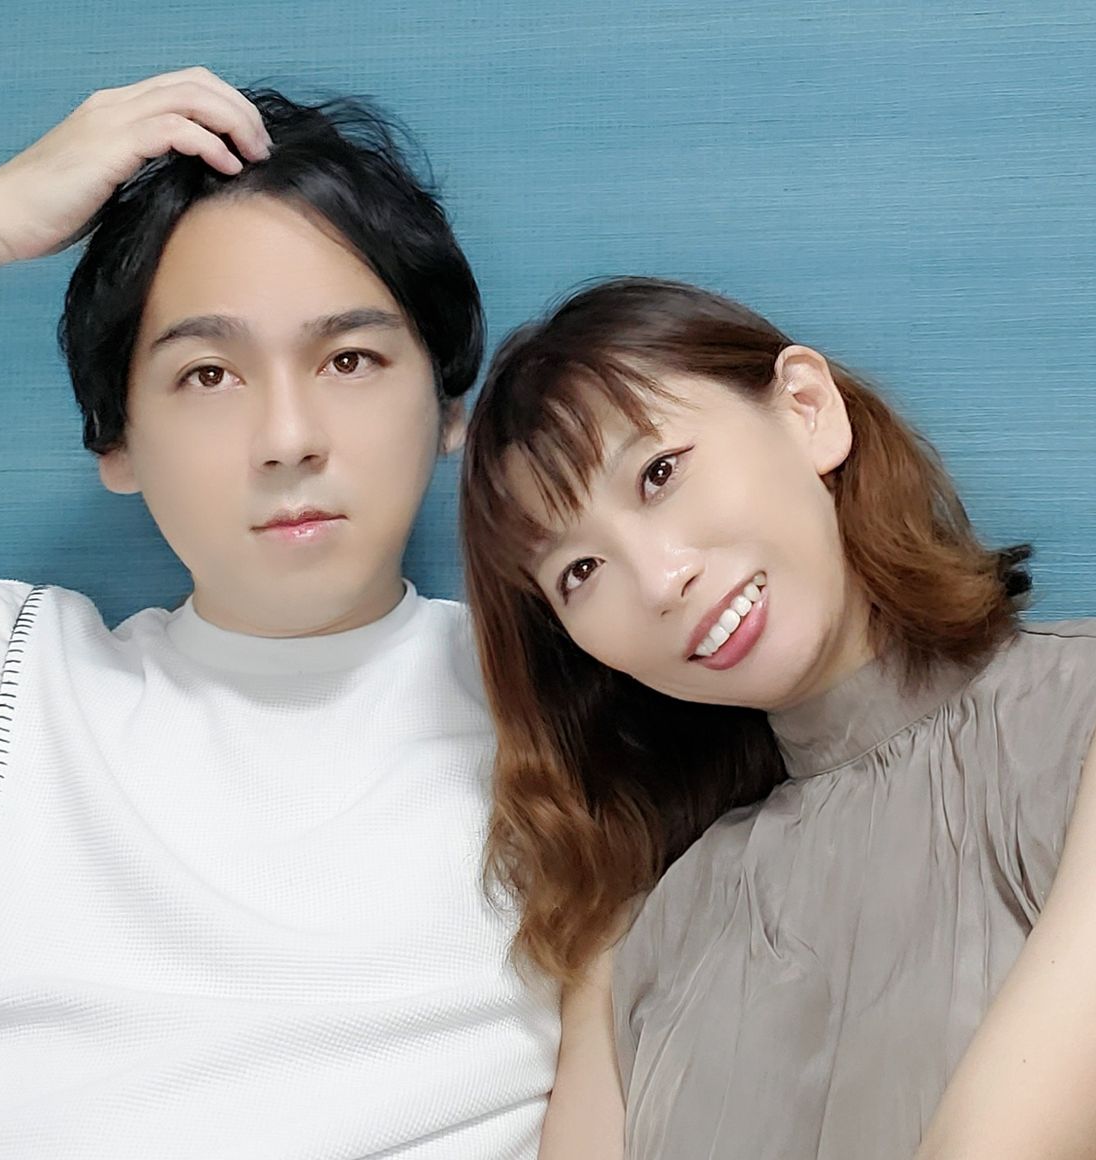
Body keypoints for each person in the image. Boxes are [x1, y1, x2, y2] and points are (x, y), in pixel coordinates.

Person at [0, 68, 558, 1158]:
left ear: (450, 405)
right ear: (117, 442)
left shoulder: (575, 692)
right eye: (210, 375)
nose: (287, 438)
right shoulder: (5, 685)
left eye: (350, 359)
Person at [458, 276, 1096, 1159]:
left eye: (658, 473)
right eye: (580, 572)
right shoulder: (638, 940)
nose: (660, 580)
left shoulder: (1076, 716)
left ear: (807, 409)